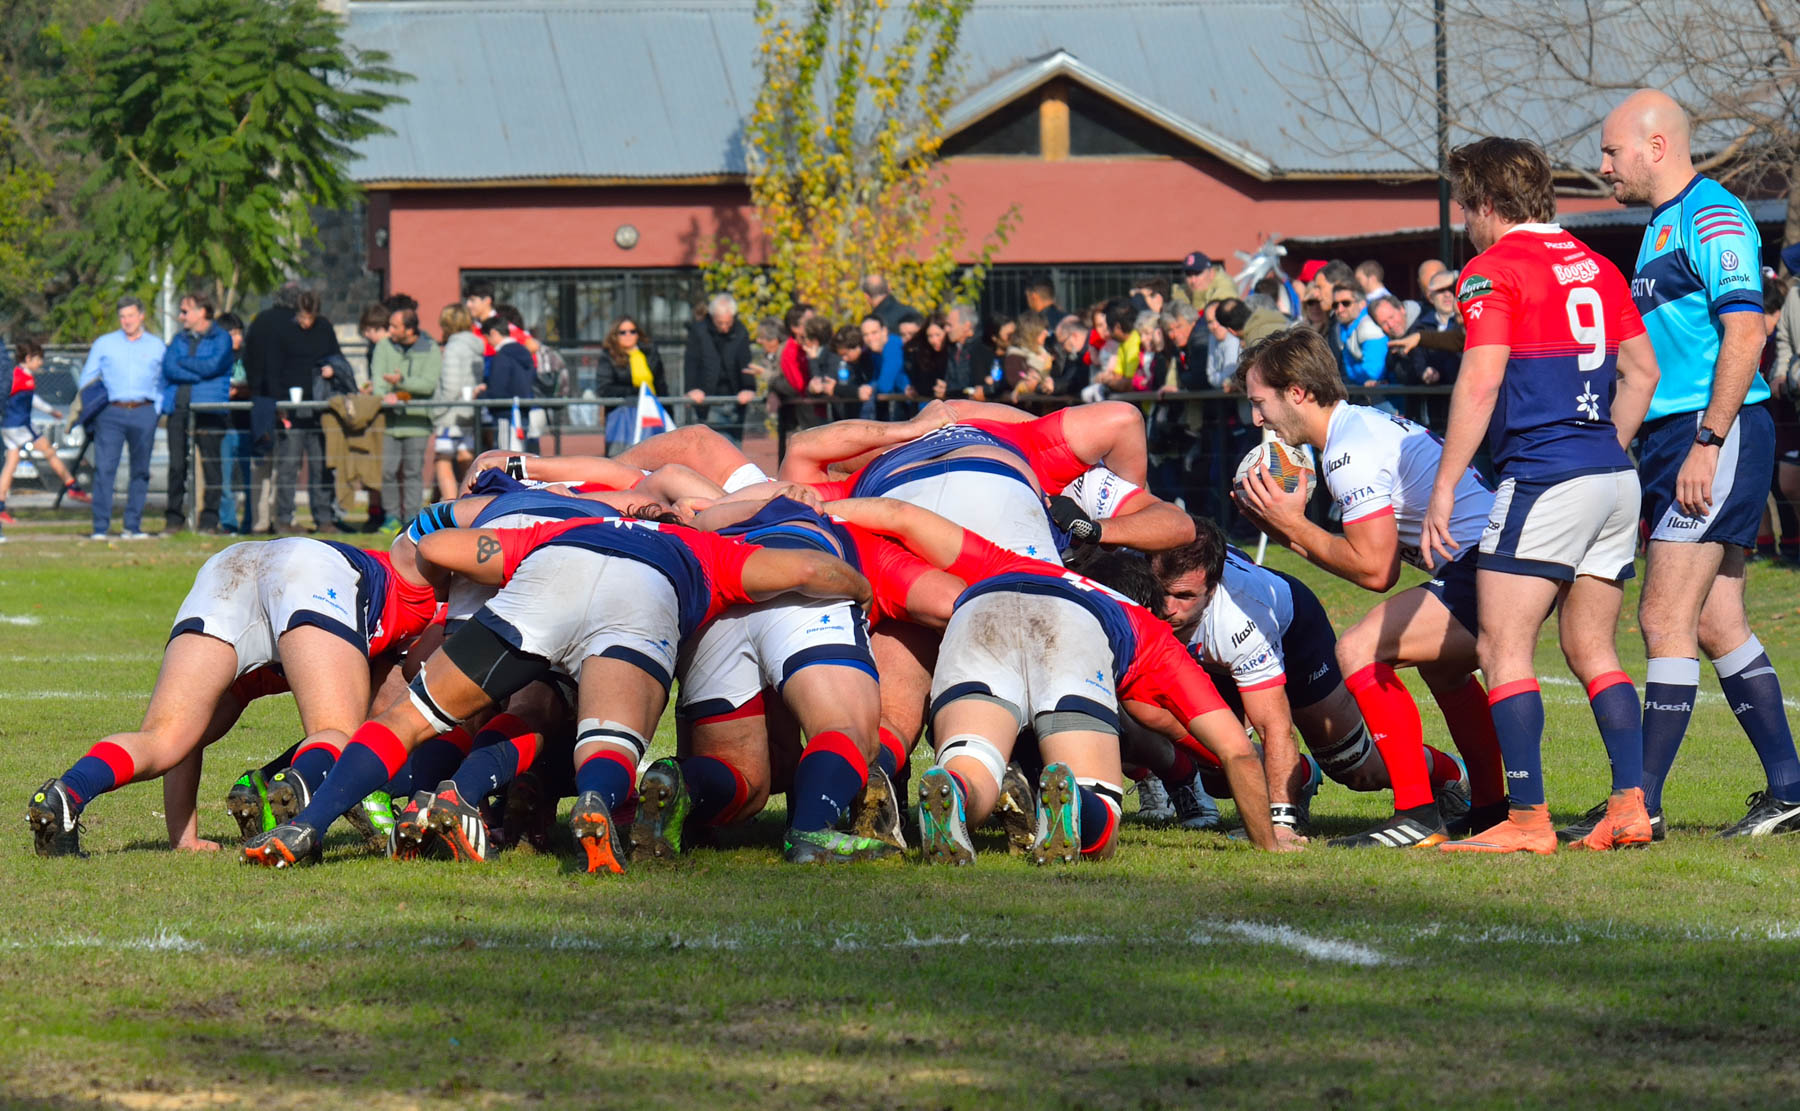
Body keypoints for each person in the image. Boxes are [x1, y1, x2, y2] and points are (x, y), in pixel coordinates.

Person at [241, 513, 872, 870]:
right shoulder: (708, 549)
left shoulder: (564, 525)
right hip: (645, 592)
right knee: (608, 738)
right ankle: (595, 803)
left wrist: (480, 562)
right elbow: (809, 570)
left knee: (410, 718)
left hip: (552, 568)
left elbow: (442, 545)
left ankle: (308, 826)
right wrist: (861, 591)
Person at [1419, 135, 1661, 855]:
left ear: (1489, 203)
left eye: (1466, 207)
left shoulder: (1492, 270)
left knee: (1502, 644)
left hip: (1546, 475)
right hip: (1613, 476)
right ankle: (1630, 806)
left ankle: (1526, 819)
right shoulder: (1598, 265)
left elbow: (1481, 379)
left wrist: (1443, 486)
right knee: (1592, 645)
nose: (1465, 222)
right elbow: (1643, 372)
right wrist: (1602, 449)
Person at [822, 496, 1283, 861]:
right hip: (1075, 632)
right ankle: (1079, 803)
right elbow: (1237, 750)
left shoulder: (1017, 561)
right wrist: (1269, 841)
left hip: (984, 609)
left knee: (974, 760)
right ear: (1149, 602)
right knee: (1098, 805)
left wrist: (815, 507)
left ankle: (957, 793)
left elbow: (900, 515)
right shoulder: (1150, 631)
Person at [1588, 88, 1800, 839]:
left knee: (1662, 615)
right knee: (1715, 621)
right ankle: (1790, 787)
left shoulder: (1712, 215)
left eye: (1612, 151)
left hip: (1713, 432)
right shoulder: (1658, 227)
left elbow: (1745, 333)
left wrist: (1708, 441)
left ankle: (1639, 801)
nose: (1603, 166)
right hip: (1677, 435)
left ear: (1656, 146)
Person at [1231, 327, 1512, 845]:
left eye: (1260, 402)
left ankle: (1416, 815)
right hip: (1494, 557)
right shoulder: (1358, 427)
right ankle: (1491, 808)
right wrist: (1290, 533)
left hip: (1491, 564)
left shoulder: (1347, 452)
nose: (1257, 420)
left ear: (1297, 392)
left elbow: (1377, 571)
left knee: (1359, 649)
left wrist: (1293, 526)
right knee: (1443, 668)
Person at [26, 532, 439, 856]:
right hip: (312, 570)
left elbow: (191, 742)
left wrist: (184, 838)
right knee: (336, 733)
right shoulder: (429, 595)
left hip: (228, 567)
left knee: (166, 736)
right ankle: (296, 808)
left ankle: (68, 791)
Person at [251, 289, 344, 533]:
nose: (305, 323)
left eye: (309, 318)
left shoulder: (324, 329)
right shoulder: (283, 331)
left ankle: (324, 517)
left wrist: (333, 370)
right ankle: (284, 518)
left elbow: (336, 358)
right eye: (302, 317)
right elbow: (272, 368)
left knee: (321, 465)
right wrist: (280, 405)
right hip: (291, 408)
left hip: (319, 408)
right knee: (288, 466)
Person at [80, 296, 166, 540]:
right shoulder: (105, 344)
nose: (127, 321)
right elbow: (87, 378)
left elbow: (164, 380)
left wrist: (156, 408)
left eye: (131, 315)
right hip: (111, 412)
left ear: (141, 316)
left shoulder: (156, 346)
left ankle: (132, 526)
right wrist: (95, 406)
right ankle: (100, 527)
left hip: (144, 410)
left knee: (141, 470)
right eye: (122, 316)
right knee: (105, 469)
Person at [160, 292, 235, 533]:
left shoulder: (221, 338)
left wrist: (184, 363)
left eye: (185, 311)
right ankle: (174, 519)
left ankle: (209, 521)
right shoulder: (178, 339)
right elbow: (169, 368)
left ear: (201, 312)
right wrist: (197, 374)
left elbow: (213, 366)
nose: (181, 316)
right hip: (179, 407)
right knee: (177, 466)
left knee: (211, 466)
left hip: (209, 409)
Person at [0, 339, 90, 536]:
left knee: (11, 464)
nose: (41, 363)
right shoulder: (17, 376)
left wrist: (50, 411)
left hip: (9, 426)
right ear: (28, 358)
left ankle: (0, 507)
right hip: (20, 425)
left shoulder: (23, 376)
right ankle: (72, 486)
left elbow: (31, 399)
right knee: (49, 451)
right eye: (38, 359)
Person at [372, 305, 441, 529]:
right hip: (390, 422)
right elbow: (378, 381)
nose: (389, 330)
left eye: (394, 326)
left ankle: (411, 518)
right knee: (387, 471)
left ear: (409, 329)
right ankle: (391, 517)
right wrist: (386, 396)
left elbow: (428, 384)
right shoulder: (383, 346)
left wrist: (401, 386)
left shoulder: (430, 348)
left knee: (413, 471)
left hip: (417, 422)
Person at [683, 294, 756, 439]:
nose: (724, 328)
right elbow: (691, 362)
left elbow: (745, 361)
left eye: (728, 323)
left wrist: (748, 388)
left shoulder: (740, 331)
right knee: (711, 443)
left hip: (734, 398)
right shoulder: (698, 331)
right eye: (720, 323)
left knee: (734, 445)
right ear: (712, 317)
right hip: (707, 398)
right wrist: (691, 388)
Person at [433, 303, 483, 502]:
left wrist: (436, 410)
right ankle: (471, 499)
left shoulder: (454, 347)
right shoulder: (477, 345)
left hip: (451, 413)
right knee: (465, 456)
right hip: (470, 410)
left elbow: (451, 387)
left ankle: (449, 505)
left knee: (442, 458)